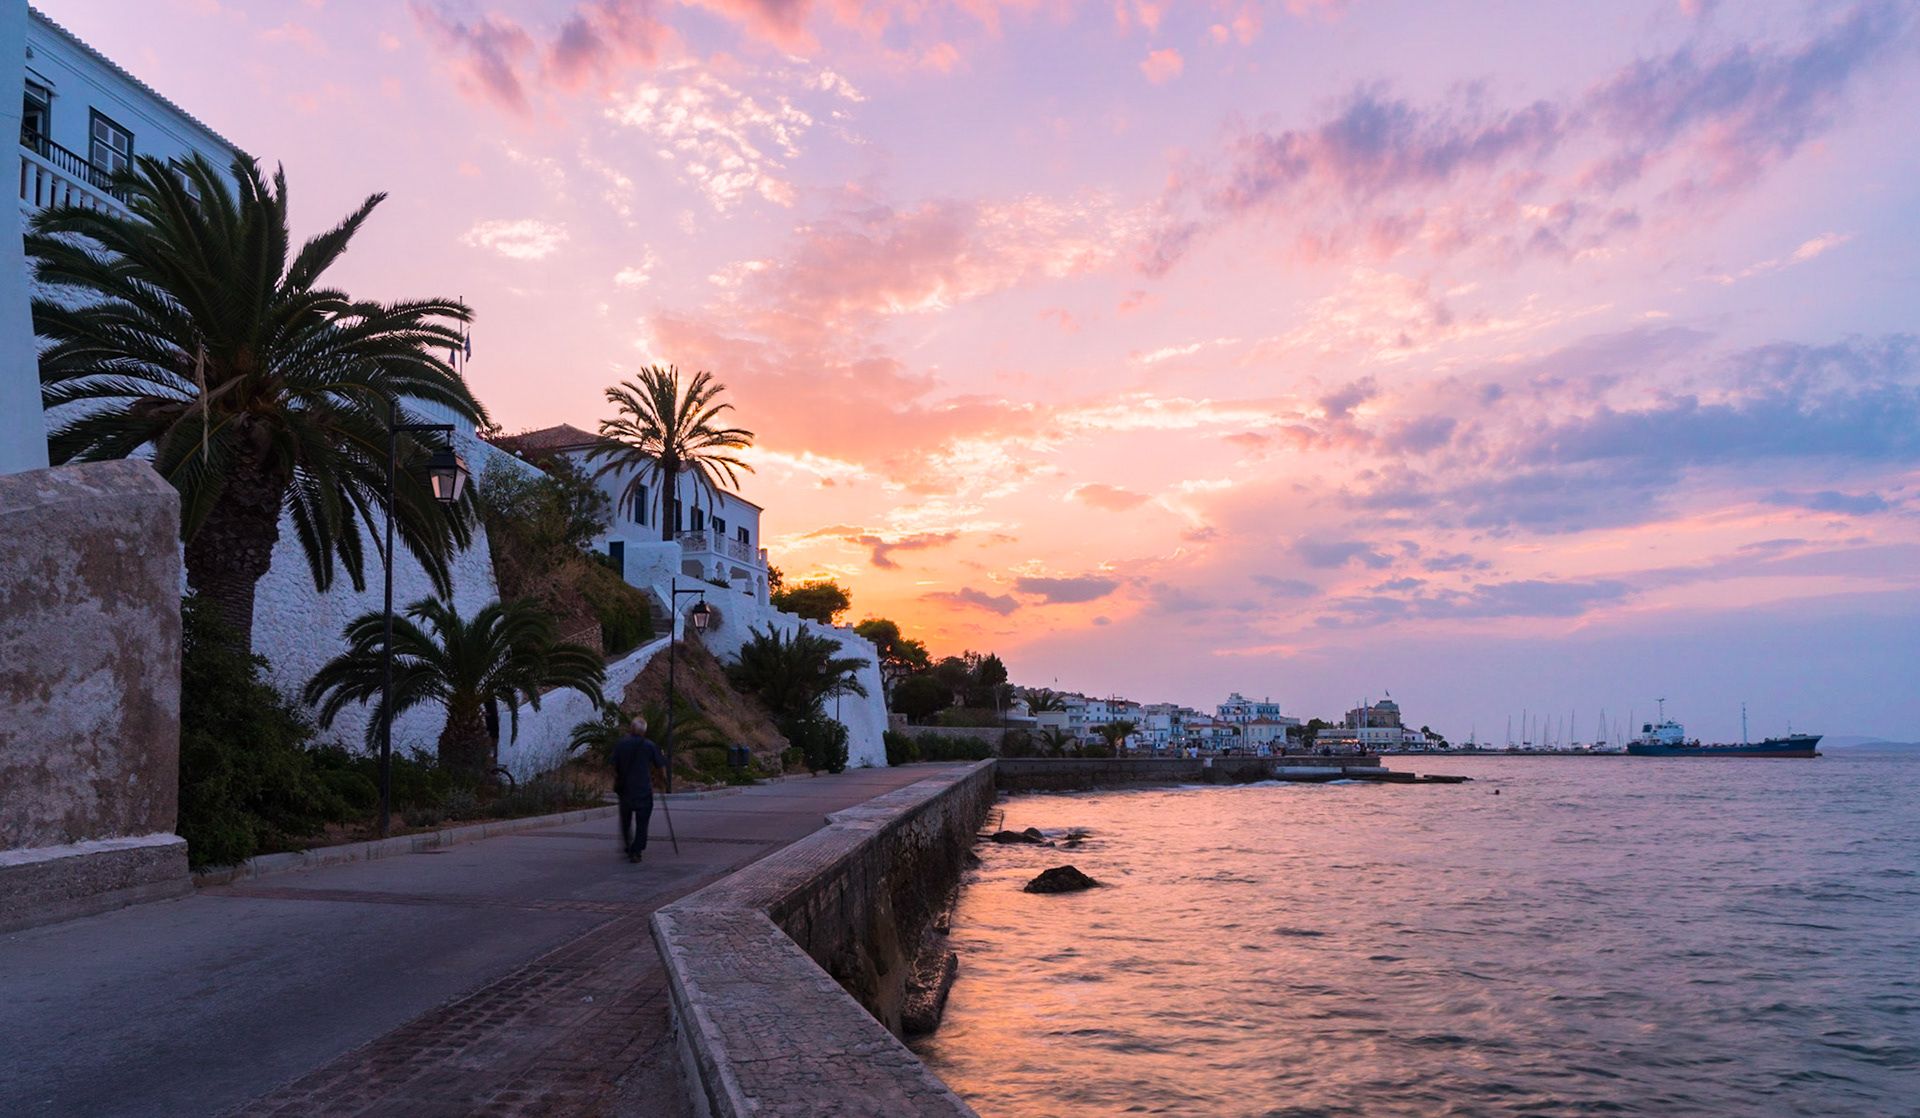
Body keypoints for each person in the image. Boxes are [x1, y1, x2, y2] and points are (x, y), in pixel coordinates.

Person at [611, 716, 668, 863]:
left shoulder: (621, 745)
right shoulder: (649, 745)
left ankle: (628, 845)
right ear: (644, 731)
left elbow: (612, 766)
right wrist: (661, 782)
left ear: (631, 729)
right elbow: (660, 767)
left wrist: (619, 777)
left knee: (626, 820)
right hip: (643, 789)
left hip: (625, 790)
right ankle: (636, 850)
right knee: (643, 822)